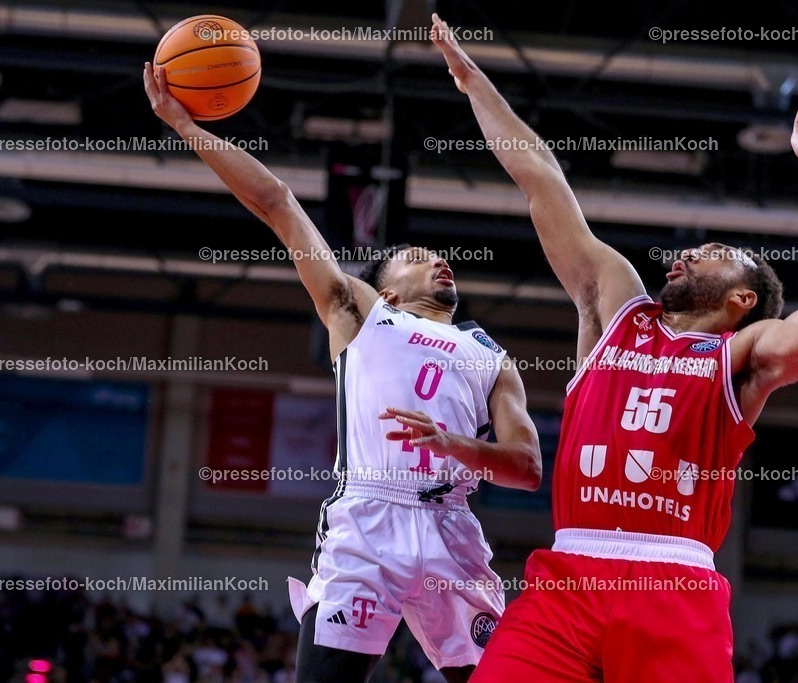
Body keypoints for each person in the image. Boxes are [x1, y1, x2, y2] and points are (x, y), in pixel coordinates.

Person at [430, 13, 798, 683]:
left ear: (742, 299)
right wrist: (474, 86)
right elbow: (543, 182)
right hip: (568, 578)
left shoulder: (740, 355)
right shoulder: (614, 305)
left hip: (674, 581)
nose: (693, 250)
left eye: (717, 253)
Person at [143, 63, 542, 683]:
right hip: (369, 522)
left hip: (452, 526)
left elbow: (527, 469)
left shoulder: (492, 357)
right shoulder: (360, 313)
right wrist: (184, 124)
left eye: (441, 258)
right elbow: (275, 201)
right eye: (417, 258)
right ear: (384, 286)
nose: (440, 261)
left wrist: (454, 445)